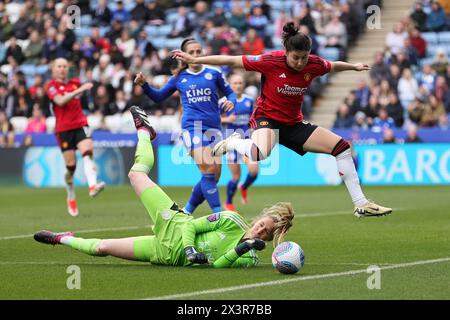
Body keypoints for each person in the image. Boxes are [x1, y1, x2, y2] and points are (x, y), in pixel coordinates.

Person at [173, 22, 392, 218]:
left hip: (293, 124)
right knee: (260, 153)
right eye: (295, 57)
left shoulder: (313, 64)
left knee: (342, 148)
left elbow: (332, 65)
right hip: (266, 118)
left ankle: (361, 203)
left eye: (304, 57)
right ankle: (233, 143)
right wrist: (196, 59)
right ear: (286, 52)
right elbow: (231, 59)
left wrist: (352, 66)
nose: (300, 62)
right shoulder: (270, 60)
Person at [33, 106, 294, 268]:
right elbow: (191, 225)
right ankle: (145, 132)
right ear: (258, 218)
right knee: (136, 175)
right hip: (173, 223)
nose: (260, 230)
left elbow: (219, 266)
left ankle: (62, 238)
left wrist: (242, 248)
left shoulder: (249, 258)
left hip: (165, 254)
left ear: (269, 239)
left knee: (102, 249)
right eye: (262, 224)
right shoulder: (231, 219)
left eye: (266, 233)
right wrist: (190, 249)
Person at [134, 38, 237, 215]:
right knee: (209, 170)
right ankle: (219, 214)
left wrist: (231, 102)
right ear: (183, 56)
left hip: (214, 129)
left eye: (199, 51)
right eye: (192, 52)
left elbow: (231, 93)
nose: (196, 55)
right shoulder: (179, 78)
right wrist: (144, 85)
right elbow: (158, 97)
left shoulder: (214, 73)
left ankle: (187, 211)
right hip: (192, 127)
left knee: (213, 176)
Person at [45, 58, 105, 217]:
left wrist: (81, 89)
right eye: (59, 66)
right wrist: (78, 91)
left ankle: (92, 186)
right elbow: (60, 101)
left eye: (65, 66)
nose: (62, 69)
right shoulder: (51, 87)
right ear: (53, 69)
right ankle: (70, 192)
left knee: (87, 151)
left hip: (80, 124)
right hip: (63, 129)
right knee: (71, 166)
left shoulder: (75, 82)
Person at [221, 73, 258, 212]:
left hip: (247, 141)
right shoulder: (223, 101)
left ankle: (244, 187)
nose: (238, 85)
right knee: (236, 176)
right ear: (230, 85)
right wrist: (225, 120)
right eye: (235, 83)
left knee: (254, 171)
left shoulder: (248, 101)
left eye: (240, 83)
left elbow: (253, 119)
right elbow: (214, 118)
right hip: (231, 143)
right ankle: (229, 202)